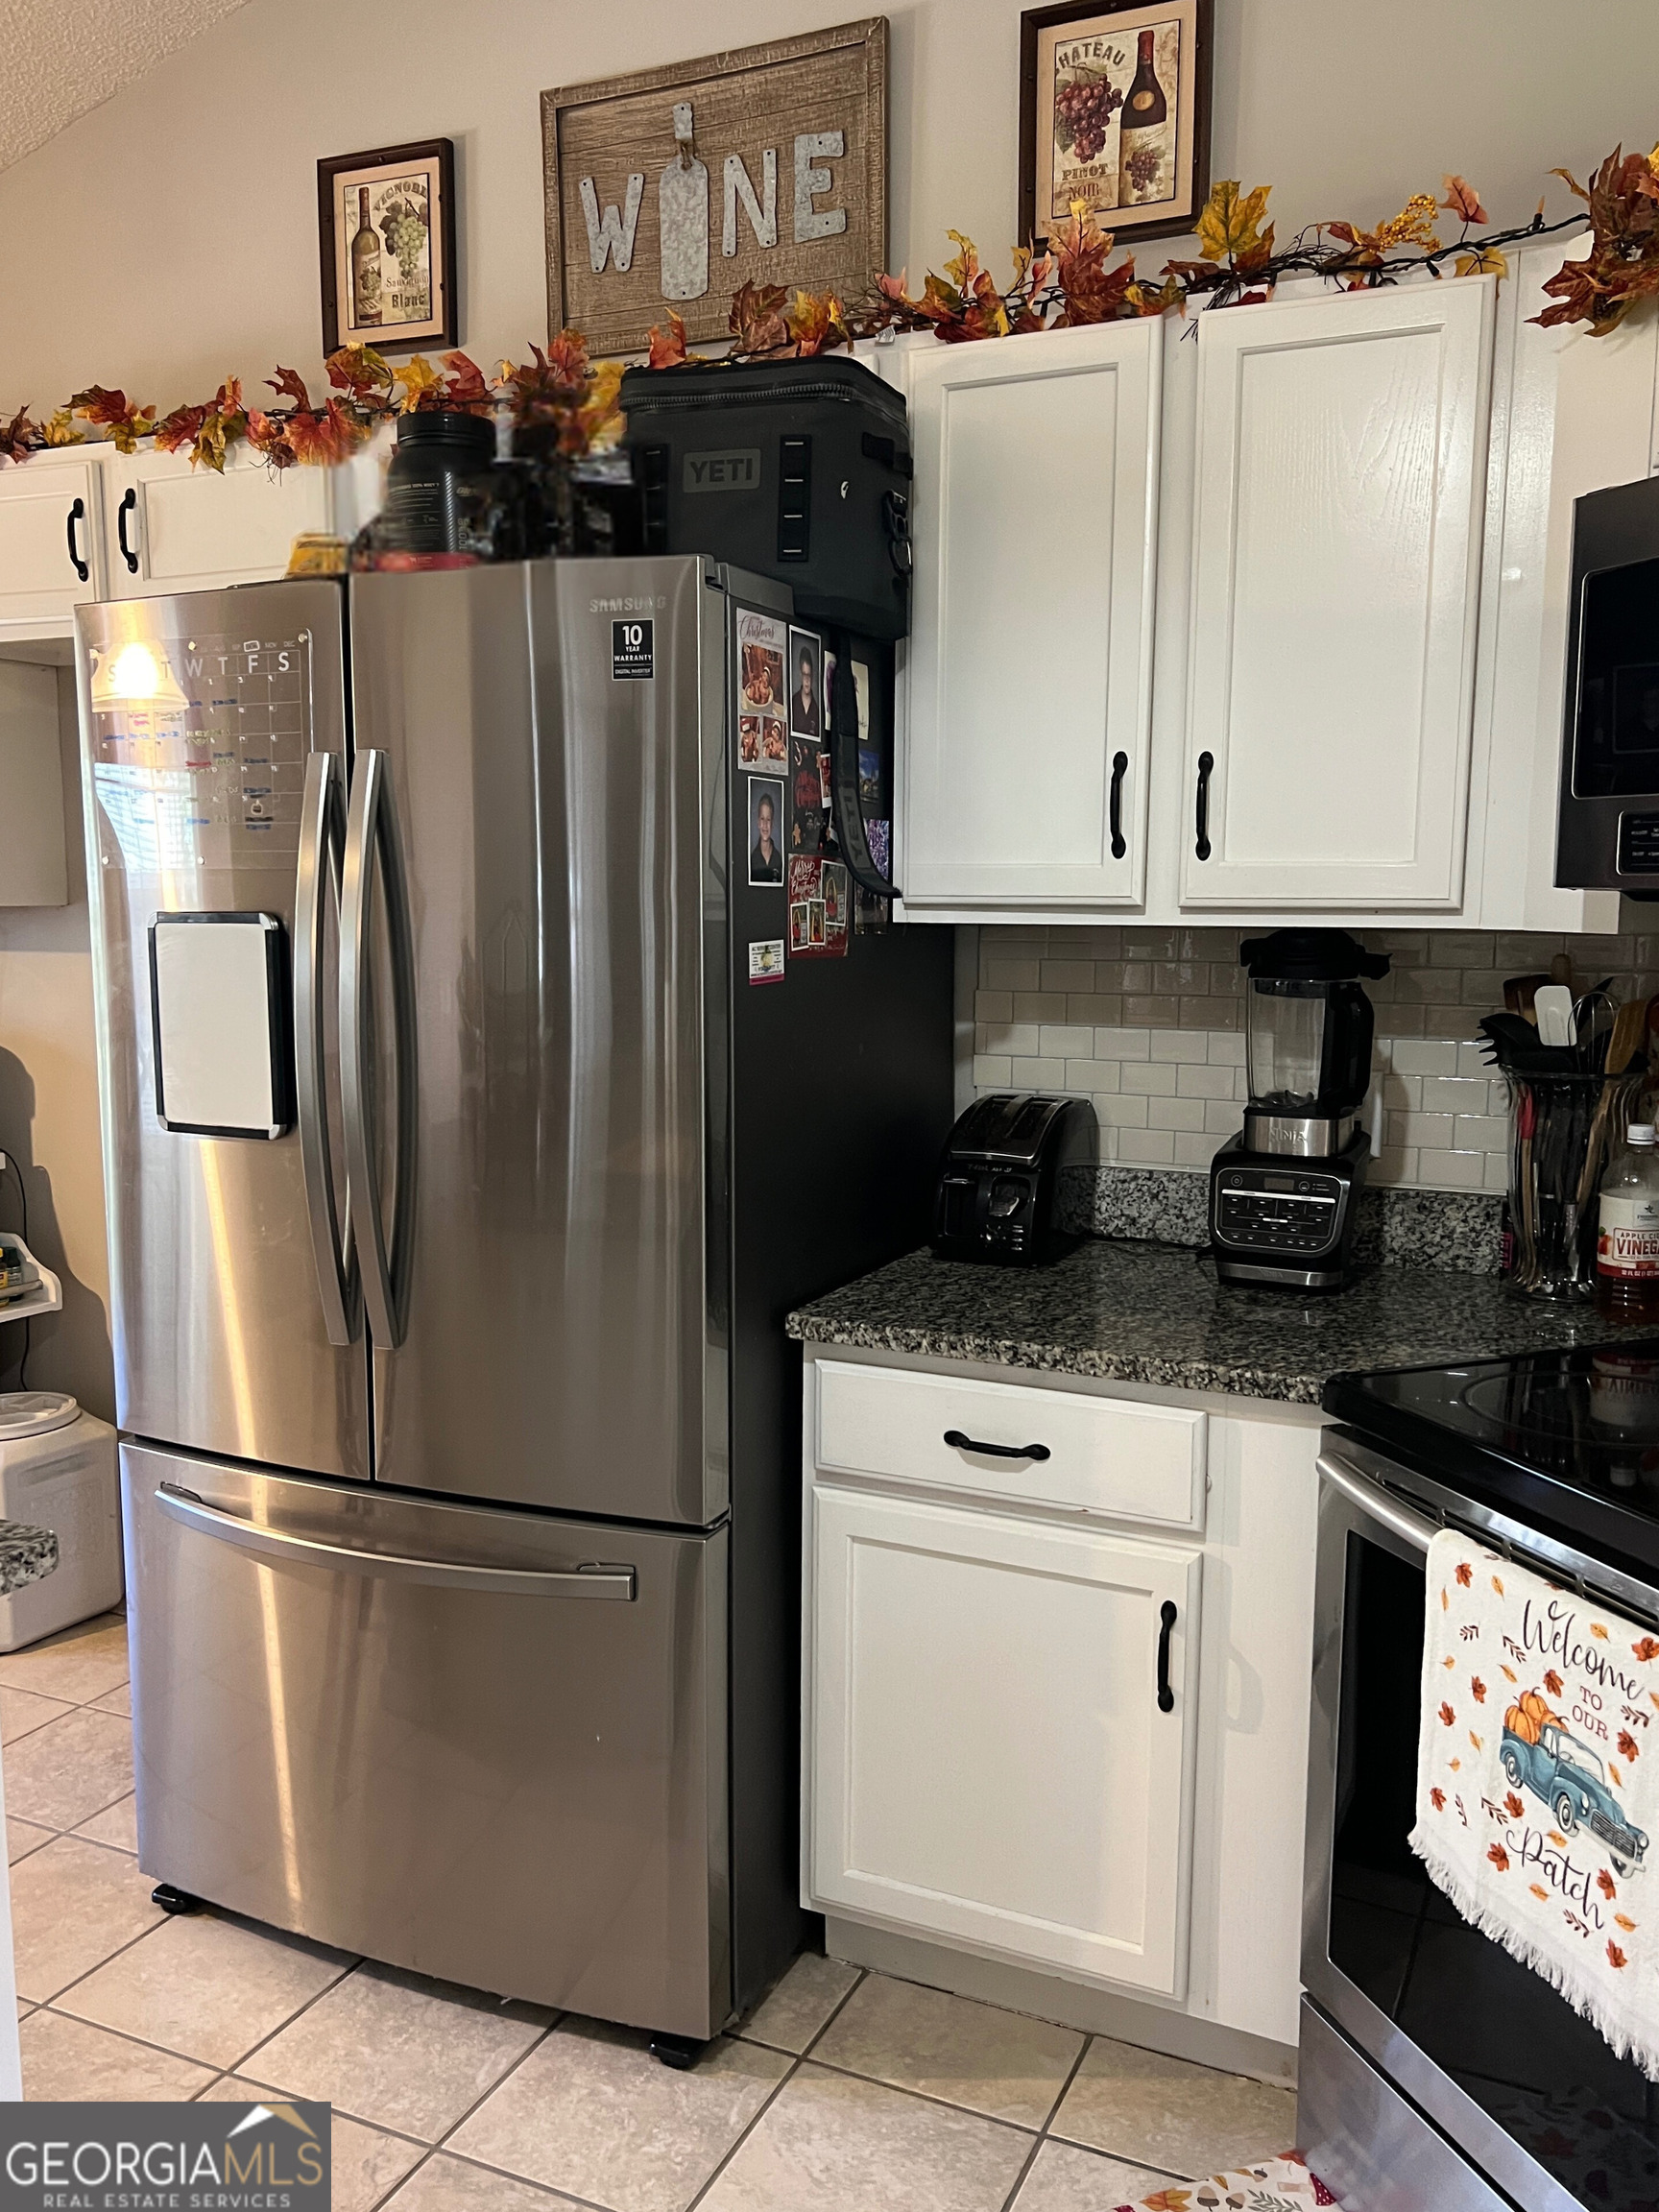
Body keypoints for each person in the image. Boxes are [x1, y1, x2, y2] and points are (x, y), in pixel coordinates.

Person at [750, 790, 781, 881]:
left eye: (768, 819)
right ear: (758, 822)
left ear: (772, 823)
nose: (765, 825)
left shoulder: (779, 858)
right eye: (762, 819)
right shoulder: (752, 860)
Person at [792, 643, 820, 737]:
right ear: (800, 675)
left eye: (809, 675)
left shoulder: (817, 710)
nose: (807, 680)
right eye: (804, 675)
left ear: (812, 675)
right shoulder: (793, 703)